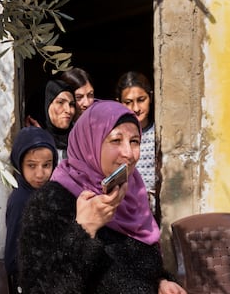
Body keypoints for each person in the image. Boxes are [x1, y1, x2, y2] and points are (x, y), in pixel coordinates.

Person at [17, 100, 186, 294]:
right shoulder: (51, 202)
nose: (129, 153)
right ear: (90, 143)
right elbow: (40, 288)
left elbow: (142, 266)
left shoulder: (133, 194)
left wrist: (162, 282)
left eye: (134, 141)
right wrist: (84, 229)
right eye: (116, 140)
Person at [4, 126, 58, 293]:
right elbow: (12, 258)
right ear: (20, 164)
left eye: (46, 165)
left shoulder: (48, 193)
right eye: (32, 166)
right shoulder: (21, 200)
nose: (40, 174)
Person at [115, 71, 157, 215]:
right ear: (118, 103)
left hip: (154, 212)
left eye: (141, 100)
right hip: (123, 210)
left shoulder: (159, 133)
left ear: (150, 97)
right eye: (128, 102)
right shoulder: (113, 136)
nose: (136, 108)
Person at [25, 79, 76, 163]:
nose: (68, 110)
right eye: (60, 102)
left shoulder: (80, 142)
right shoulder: (27, 145)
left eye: (71, 104)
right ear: (44, 106)